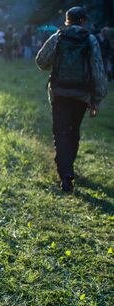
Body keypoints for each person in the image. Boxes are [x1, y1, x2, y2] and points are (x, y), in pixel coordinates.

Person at [36, 6, 107, 192]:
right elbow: (97, 69)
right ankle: (68, 169)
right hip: (81, 95)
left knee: (60, 133)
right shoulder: (91, 40)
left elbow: (41, 61)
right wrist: (97, 98)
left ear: (67, 20)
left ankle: (65, 174)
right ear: (83, 20)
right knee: (73, 131)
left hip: (59, 93)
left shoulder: (58, 37)